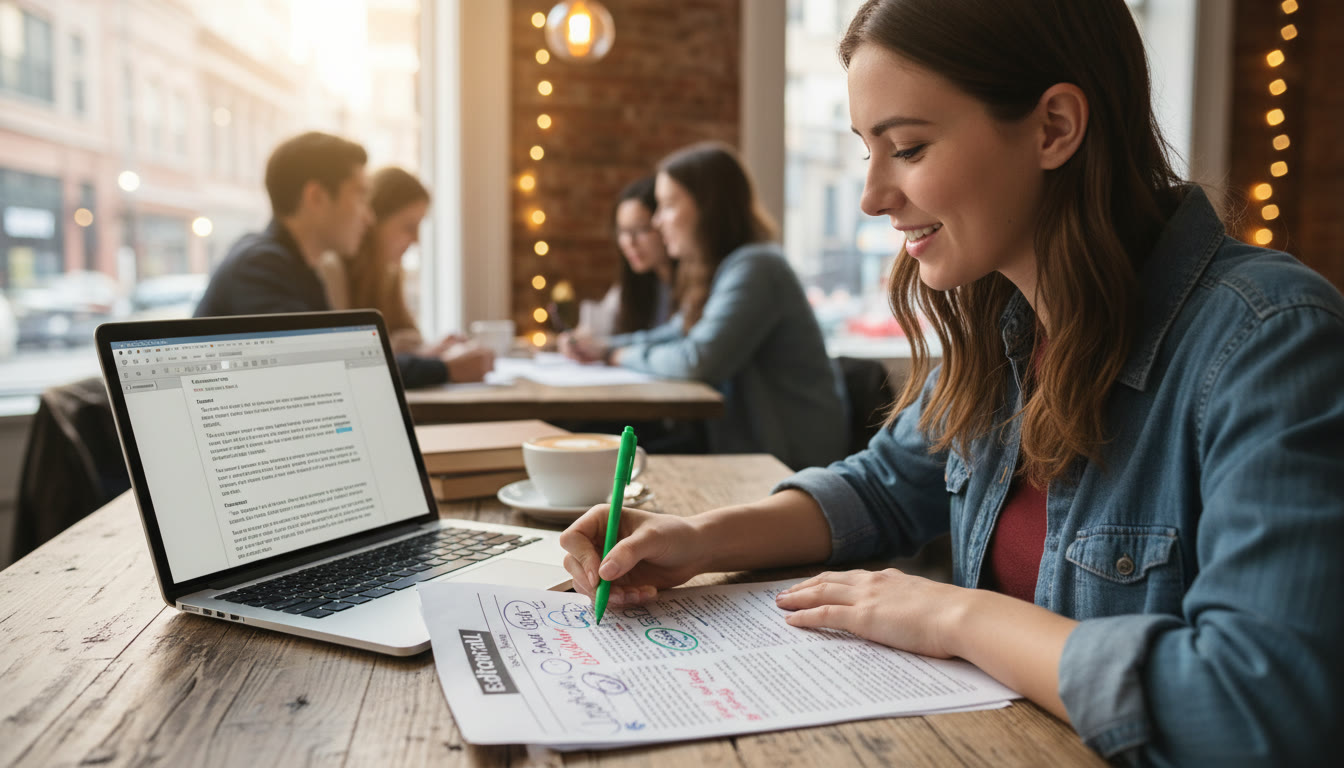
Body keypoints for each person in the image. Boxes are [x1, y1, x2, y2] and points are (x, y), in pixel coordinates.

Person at [558, 0, 1344, 765]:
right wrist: (696, 541)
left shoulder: (1270, 341)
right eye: (867, 151)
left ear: (1054, 128)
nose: (871, 197)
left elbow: (1257, 710)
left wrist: (956, 616)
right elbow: (882, 487)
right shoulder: (1002, 322)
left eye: (906, 148)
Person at [561, 142, 847, 470]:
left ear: (708, 208)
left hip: (785, 459)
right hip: (739, 444)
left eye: (668, 205)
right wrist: (603, 346)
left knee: (602, 454)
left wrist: (614, 354)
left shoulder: (757, 267)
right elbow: (675, 333)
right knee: (590, 443)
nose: (656, 221)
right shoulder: (723, 270)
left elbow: (698, 359)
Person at [194, 132, 492, 386]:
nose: (369, 215)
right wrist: (446, 369)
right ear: (316, 197)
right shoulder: (260, 267)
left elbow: (332, 360)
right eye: (361, 195)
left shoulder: (297, 268)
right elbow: (326, 369)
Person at [317, 166, 462, 357]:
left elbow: (410, 338)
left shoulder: (389, 273)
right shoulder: (332, 270)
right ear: (372, 221)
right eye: (409, 227)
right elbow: (341, 356)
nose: (416, 240)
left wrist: (429, 350)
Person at [574, 175, 676, 338]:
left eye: (641, 229)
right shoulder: (633, 284)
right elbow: (597, 329)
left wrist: (611, 351)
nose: (629, 242)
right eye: (622, 231)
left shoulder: (692, 286)